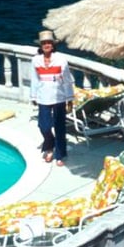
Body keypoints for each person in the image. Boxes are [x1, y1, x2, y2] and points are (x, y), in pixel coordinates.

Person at [30, 30, 75, 166]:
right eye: (44, 43)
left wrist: (70, 98)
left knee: (60, 126)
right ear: (41, 45)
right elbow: (34, 79)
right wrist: (33, 96)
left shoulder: (61, 60)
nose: (47, 45)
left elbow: (67, 80)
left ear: (53, 45)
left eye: (49, 42)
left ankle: (59, 154)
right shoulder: (35, 60)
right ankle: (49, 145)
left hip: (59, 97)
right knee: (43, 126)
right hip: (43, 98)